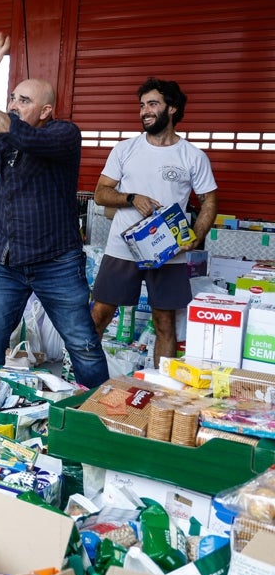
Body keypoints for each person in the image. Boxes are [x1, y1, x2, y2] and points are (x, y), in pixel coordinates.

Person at [0, 31, 108, 389]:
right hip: (4, 262)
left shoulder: (64, 135)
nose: (13, 105)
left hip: (55, 262)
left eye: (24, 100)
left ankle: (96, 415)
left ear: (46, 111)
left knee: (84, 346)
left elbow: (25, 137)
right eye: (12, 98)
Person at [90, 78, 217, 365]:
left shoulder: (192, 156)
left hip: (168, 250)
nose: (144, 111)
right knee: (100, 314)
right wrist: (131, 197)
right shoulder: (125, 149)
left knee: (164, 321)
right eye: (142, 105)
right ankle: (84, 382)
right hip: (123, 247)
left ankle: (161, 392)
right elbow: (101, 193)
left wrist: (196, 234)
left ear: (172, 108)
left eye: (152, 104)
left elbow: (210, 200)